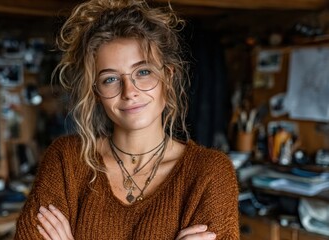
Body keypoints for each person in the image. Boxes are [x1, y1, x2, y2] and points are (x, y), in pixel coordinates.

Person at [14, 0, 239, 239]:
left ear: (168, 77)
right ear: (96, 92)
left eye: (143, 72)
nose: (129, 91)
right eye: (110, 79)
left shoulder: (209, 173)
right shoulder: (66, 160)